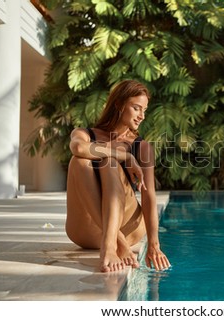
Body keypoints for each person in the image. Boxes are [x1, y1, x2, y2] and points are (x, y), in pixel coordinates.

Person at [65, 79, 170, 273]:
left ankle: (110, 245)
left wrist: (154, 245)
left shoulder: (142, 147)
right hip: (84, 232)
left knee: (108, 162)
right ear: (119, 104)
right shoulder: (84, 134)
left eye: (144, 110)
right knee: (78, 160)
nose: (142, 116)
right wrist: (124, 155)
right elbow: (78, 147)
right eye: (137, 108)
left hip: (129, 227)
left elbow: (149, 197)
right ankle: (116, 241)